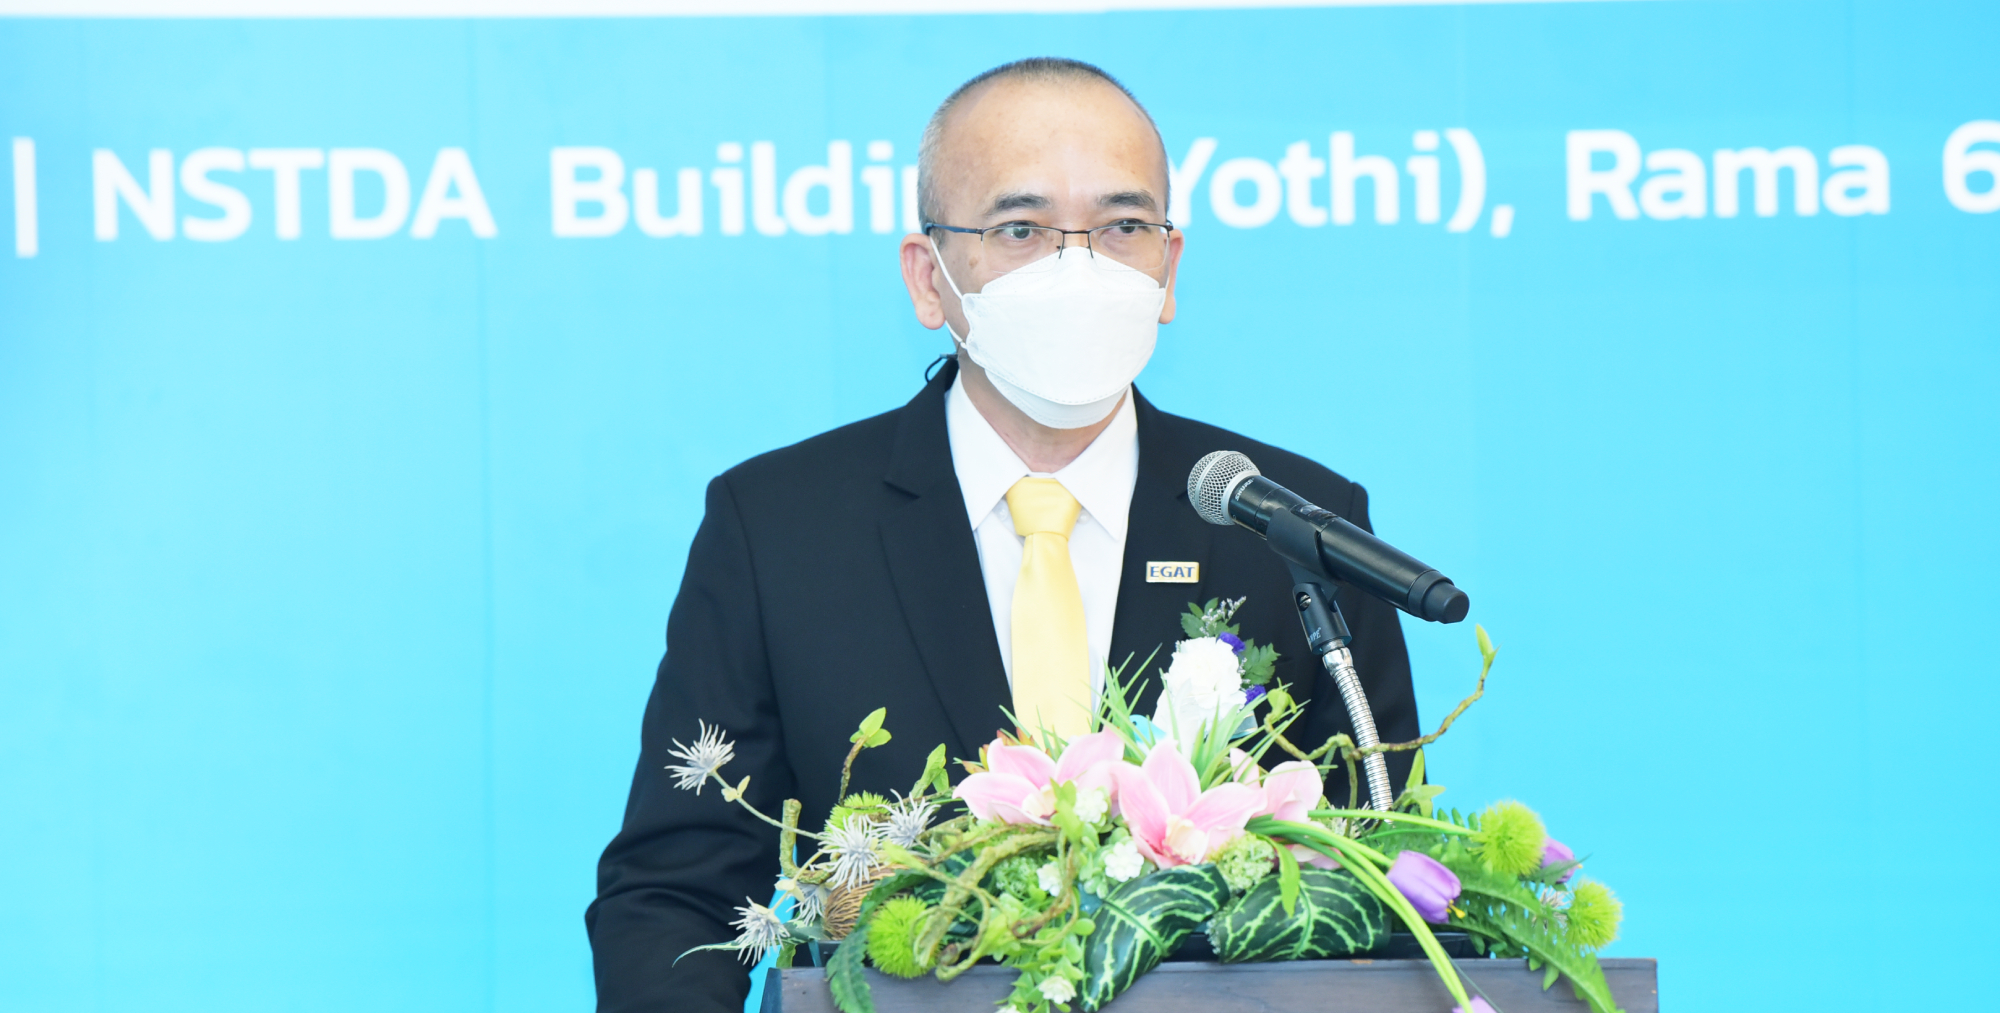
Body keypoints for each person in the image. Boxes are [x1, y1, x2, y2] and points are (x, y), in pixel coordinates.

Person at [587, 58, 1420, 1013]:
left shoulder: (1288, 526)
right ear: (928, 277)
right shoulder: (780, 528)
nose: (1079, 267)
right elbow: (675, 898)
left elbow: (1386, 887)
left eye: (1122, 226)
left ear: (1168, 267)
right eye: (1021, 229)